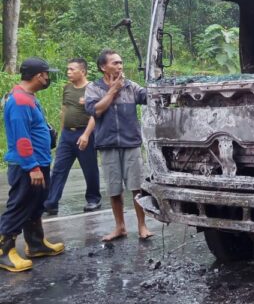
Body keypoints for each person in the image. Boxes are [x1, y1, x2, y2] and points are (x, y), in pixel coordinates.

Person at [0, 57, 65, 272]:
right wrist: (32, 167)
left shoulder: (29, 97)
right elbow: (21, 138)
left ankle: (36, 244)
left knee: (36, 204)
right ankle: (3, 251)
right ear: (39, 76)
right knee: (20, 205)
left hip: (40, 161)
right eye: (46, 74)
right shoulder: (19, 100)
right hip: (27, 165)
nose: (48, 78)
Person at [85, 50, 153, 241]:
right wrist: (113, 90)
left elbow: (148, 96)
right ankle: (120, 227)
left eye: (121, 63)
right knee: (114, 190)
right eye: (115, 63)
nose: (120, 66)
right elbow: (95, 110)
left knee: (137, 187)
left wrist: (156, 83)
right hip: (108, 145)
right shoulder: (93, 88)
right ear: (103, 67)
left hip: (131, 142)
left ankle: (142, 226)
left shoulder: (130, 86)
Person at [43, 58, 102, 215]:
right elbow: (64, 109)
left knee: (89, 169)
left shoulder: (92, 89)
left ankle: (93, 199)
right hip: (67, 134)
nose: (68, 72)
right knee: (58, 169)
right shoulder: (67, 88)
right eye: (67, 69)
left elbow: (95, 115)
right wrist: (62, 132)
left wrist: (86, 135)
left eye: (72, 69)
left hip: (85, 134)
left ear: (82, 71)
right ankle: (51, 202)